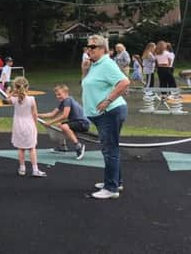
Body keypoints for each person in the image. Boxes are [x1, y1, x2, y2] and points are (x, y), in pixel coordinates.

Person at [82, 34, 130, 199]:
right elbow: (87, 84)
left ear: (102, 49)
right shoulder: (95, 64)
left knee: (110, 150)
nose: (89, 50)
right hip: (102, 115)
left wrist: (108, 100)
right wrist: (84, 70)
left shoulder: (107, 63)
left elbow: (124, 82)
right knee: (111, 148)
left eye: (93, 47)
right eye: (88, 47)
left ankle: (111, 188)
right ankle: (116, 181)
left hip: (111, 112)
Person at [9, 76, 46, 177]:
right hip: (29, 124)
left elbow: (5, 100)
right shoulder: (31, 99)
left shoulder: (14, 99)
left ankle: (22, 168)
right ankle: (35, 169)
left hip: (18, 125)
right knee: (32, 148)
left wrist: (12, 92)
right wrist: (35, 126)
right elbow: (35, 114)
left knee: (21, 148)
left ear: (15, 87)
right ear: (27, 87)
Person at [38, 84, 88, 160]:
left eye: (59, 94)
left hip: (82, 123)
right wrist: (36, 114)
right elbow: (52, 114)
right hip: (77, 122)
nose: (58, 96)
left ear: (66, 93)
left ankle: (78, 146)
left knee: (64, 126)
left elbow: (65, 116)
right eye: (56, 95)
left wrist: (50, 122)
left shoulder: (67, 100)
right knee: (59, 125)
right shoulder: (64, 102)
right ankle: (62, 147)